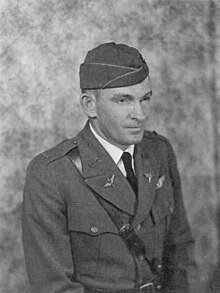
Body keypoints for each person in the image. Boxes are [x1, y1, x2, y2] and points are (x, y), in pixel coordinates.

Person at [22, 42, 194, 293]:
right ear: (89, 105)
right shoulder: (51, 174)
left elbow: (179, 252)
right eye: (123, 100)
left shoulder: (159, 152)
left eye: (145, 99)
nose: (140, 114)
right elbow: (54, 286)